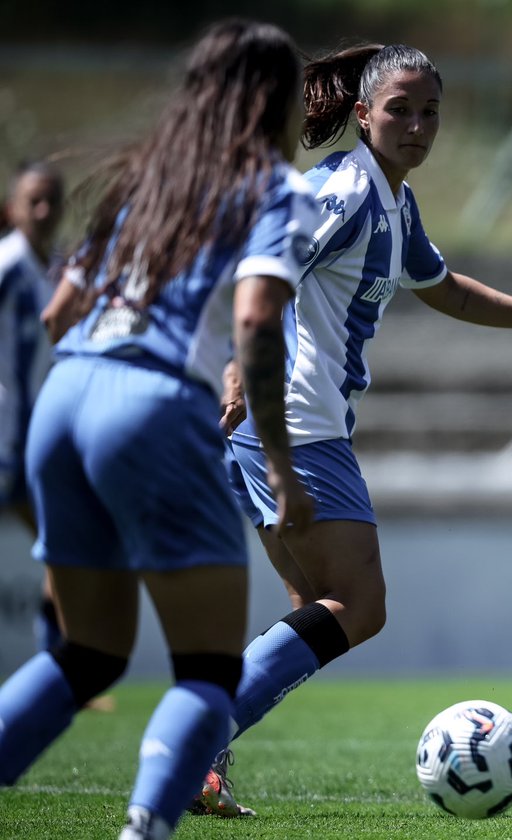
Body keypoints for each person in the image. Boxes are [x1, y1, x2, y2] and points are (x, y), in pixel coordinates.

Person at [189, 42, 512, 817]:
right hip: (294, 420)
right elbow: (262, 274)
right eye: (400, 110)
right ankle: (197, 738)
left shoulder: (392, 201)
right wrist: (236, 363)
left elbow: (446, 290)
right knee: (359, 606)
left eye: (430, 112)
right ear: (364, 114)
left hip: (281, 422)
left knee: (315, 602)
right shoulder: (344, 192)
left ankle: (204, 755)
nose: (418, 126)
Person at [0, 19, 317, 840]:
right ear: (274, 102)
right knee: (207, 670)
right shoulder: (274, 188)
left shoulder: (142, 183)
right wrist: (281, 468)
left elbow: (57, 313)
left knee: (86, 655)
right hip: (152, 406)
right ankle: (144, 830)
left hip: (65, 396)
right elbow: (257, 320)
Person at [0, 161, 67, 654]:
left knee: (64, 547)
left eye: (52, 201)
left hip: (30, 437)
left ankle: (60, 667)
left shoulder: (59, 269)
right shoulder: (7, 265)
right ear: (13, 208)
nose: (43, 211)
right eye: (33, 201)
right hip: (5, 433)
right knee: (63, 545)